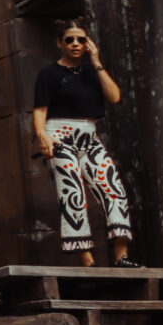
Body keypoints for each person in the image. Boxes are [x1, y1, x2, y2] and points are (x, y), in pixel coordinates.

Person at [31, 21, 135, 266]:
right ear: (60, 43)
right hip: (59, 135)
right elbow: (39, 110)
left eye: (80, 39)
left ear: (88, 42)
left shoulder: (92, 71)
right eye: (69, 40)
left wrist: (97, 62)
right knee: (72, 192)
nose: (75, 44)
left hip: (89, 137)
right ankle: (89, 262)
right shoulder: (49, 74)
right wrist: (43, 136)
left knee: (113, 188)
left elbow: (114, 96)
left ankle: (122, 258)